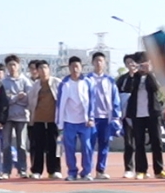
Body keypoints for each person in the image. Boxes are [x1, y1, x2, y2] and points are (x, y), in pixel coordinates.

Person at [122, 55, 165, 179]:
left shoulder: (153, 75)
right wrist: (131, 74)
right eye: (139, 63)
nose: (141, 66)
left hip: (153, 113)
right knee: (139, 142)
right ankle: (141, 170)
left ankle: (159, 170)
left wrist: (150, 72)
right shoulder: (133, 77)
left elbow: (157, 88)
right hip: (137, 114)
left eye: (144, 63)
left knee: (157, 141)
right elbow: (126, 89)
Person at [84, 52, 123, 180]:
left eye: (101, 61)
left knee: (104, 145)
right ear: (92, 63)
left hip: (106, 117)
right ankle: (87, 171)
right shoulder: (87, 79)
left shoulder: (110, 80)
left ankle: (100, 170)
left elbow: (115, 99)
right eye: (96, 61)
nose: (99, 63)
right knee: (89, 145)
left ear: (105, 63)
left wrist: (116, 116)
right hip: (91, 118)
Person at [56, 57, 94, 181]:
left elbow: (92, 101)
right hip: (68, 121)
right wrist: (59, 123)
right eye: (72, 66)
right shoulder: (64, 83)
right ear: (69, 68)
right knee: (69, 148)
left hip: (84, 121)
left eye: (77, 66)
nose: (75, 69)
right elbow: (59, 103)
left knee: (87, 147)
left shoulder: (88, 82)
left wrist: (91, 117)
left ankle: (86, 172)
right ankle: (72, 172)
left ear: (81, 68)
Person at [26, 59, 62, 179]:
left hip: (54, 120)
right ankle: (37, 170)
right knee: (38, 146)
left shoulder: (57, 83)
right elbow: (30, 102)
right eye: (40, 68)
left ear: (49, 69)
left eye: (45, 68)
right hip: (38, 119)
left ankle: (55, 170)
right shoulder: (35, 85)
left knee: (54, 146)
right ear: (37, 71)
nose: (43, 70)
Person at [1, 55, 32, 179]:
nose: (12, 67)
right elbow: (4, 100)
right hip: (7, 117)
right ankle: (6, 170)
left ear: (19, 66)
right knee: (6, 144)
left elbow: (28, 99)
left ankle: (23, 169)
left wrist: (14, 99)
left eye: (14, 64)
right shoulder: (3, 82)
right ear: (7, 67)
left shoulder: (25, 81)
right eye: (9, 65)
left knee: (22, 145)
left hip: (22, 117)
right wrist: (16, 98)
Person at [116, 54, 139, 177]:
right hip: (126, 115)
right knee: (129, 143)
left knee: (140, 143)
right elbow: (117, 96)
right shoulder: (122, 79)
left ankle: (142, 169)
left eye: (133, 62)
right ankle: (129, 168)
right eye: (128, 62)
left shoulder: (143, 77)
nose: (131, 64)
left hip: (141, 115)